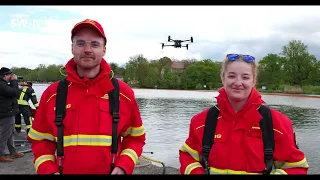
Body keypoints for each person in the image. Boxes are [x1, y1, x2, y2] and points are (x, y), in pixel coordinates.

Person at [27, 19, 146, 175]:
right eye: (81, 43)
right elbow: (40, 140)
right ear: (72, 48)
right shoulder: (52, 94)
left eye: (95, 44)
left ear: (104, 49)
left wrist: (123, 166)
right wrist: (48, 170)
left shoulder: (123, 93)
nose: (87, 49)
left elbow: (135, 138)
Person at [179, 54, 309, 175]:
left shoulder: (277, 123)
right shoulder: (201, 122)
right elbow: (188, 156)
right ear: (223, 79)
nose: (238, 82)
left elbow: (296, 166)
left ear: (254, 81)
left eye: (245, 77)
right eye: (231, 76)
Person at [0, 67, 24, 163]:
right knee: (4, 134)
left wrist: (13, 83)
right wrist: (14, 82)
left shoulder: (4, 84)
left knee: (10, 133)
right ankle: (1, 155)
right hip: (5, 113)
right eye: (10, 75)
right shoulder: (1, 85)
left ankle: (12, 151)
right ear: (5, 76)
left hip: (8, 112)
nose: (11, 76)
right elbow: (15, 93)